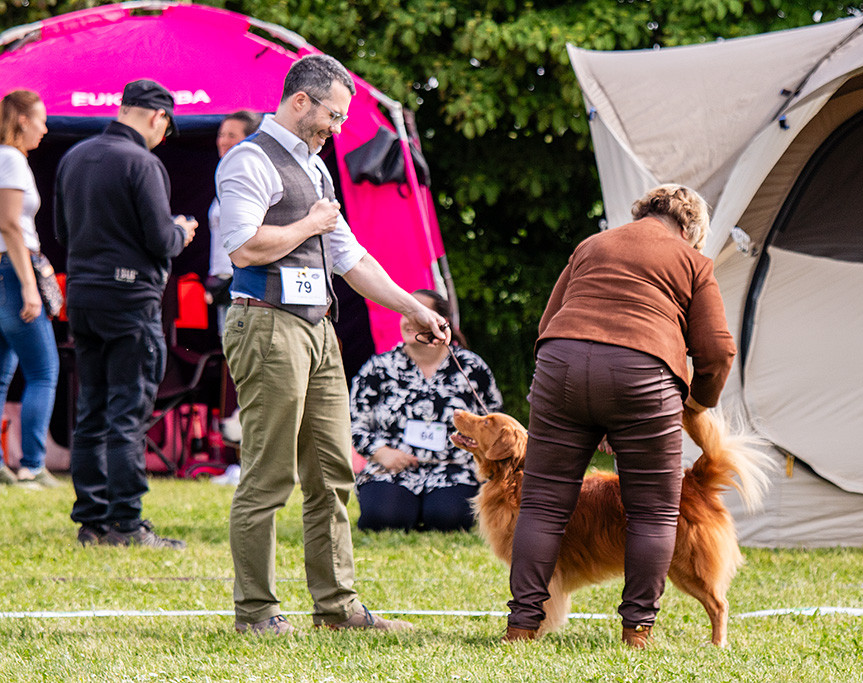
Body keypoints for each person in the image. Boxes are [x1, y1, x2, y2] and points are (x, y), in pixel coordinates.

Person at [216, 54, 449, 636]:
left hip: (318, 329)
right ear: (301, 101)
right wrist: (309, 225)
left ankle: (338, 609)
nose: (338, 128)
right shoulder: (249, 159)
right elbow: (242, 247)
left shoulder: (318, 172)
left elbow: (351, 260)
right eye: (333, 116)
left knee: (333, 473)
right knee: (268, 476)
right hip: (267, 324)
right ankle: (257, 613)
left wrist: (415, 308)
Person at [504, 184, 737, 648]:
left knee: (543, 502)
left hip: (561, 367)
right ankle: (637, 632)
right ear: (689, 228)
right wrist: (694, 403)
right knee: (653, 512)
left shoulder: (591, 245)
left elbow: (548, 323)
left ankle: (522, 628)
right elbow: (717, 353)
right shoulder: (693, 262)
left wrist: (593, 402)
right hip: (644, 376)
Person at [54, 79, 198, 548]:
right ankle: (127, 523)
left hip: (83, 297)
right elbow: (161, 241)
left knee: (90, 409)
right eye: (167, 127)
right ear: (158, 117)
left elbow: (60, 231)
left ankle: (92, 522)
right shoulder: (143, 163)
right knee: (127, 412)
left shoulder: (73, 157)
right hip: (131, 301)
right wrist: (181, 231)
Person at [351, 289, 503, 532]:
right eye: (405, 312)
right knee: (383, 519)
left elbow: (494, 422)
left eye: (418, 312)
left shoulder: (471, 367)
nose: (409, 320)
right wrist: (380, 452)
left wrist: (480, 454)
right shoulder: (378, 368)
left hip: (455, 467)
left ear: (441, 321)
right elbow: (354, 423)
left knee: (449, 520)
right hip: (393, 466)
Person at [0, 90, 60, 488]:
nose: (45, 127)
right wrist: (29, 285)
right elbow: (9, 224)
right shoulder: (11, 159)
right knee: (43, 370)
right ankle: (33, 464)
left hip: (7, 267)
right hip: (12, 269)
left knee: (3, 373)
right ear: (22, 119)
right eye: (40, 119)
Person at [207, 109, 262, 334]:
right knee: (231, 348)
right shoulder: (225, 176)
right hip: (223, 281)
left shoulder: (250, 178)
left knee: (243, 349)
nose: (223, 141)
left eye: (231, 135)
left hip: (243, 281)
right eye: (221, 134)